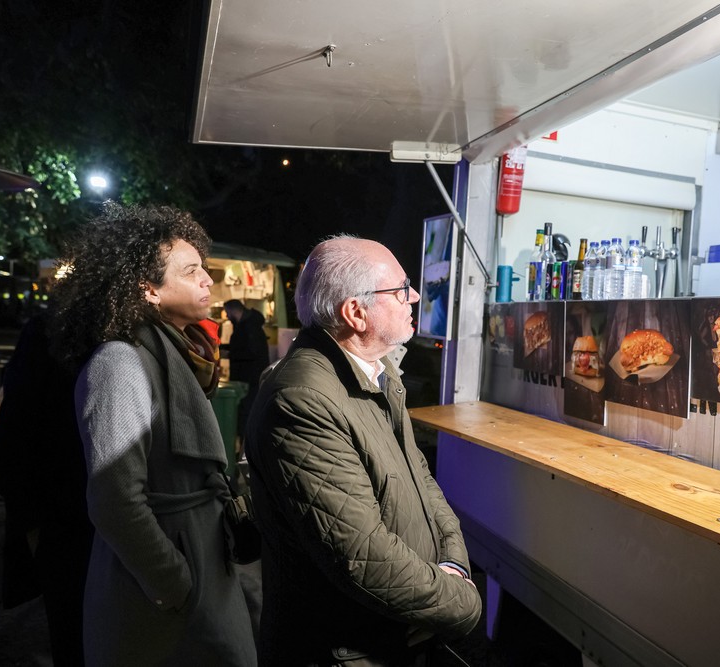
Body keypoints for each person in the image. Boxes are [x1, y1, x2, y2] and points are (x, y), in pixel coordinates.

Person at [244, 235, 482, 665]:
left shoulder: (376, 372)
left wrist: (454, 563)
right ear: (355, 312)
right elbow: (362, 556)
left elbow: (422, 482)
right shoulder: (302, 398)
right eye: (400, 289)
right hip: (346, 654)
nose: (414, 296)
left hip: (395, 634)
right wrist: (460, 603)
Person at [49, 202, 256, 666]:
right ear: (149, 289)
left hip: (199, 561)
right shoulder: (120, 363)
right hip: (159, 592)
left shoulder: (176, 351)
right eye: (191, 271)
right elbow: (114, 501)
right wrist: (175, 583)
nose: (208, 280)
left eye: (203, 268)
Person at [0, 312, 94, 666]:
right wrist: (29, 521)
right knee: (74, 629)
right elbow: (16, 427)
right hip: (66, 512)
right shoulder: (56, 328)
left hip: (68, 511)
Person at [223, 298, 269, 437]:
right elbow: (241, 346)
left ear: (233, 311)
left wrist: (230, 354)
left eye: (227, 312)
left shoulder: (249, 327)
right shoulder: (245, 325)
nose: (227, 316)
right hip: (247, 378)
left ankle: (245, 445)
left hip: (249, 379)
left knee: (246, 415)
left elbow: (252, 352)